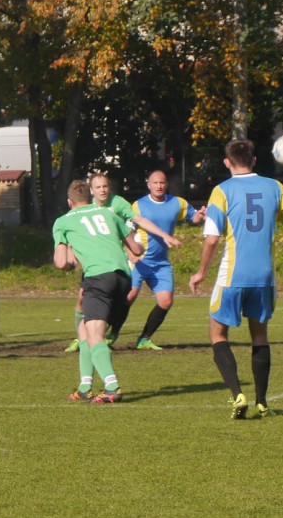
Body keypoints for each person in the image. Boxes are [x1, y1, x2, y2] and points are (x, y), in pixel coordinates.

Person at [188, 139, 283, 419]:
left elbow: (212, 239)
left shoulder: (222, 191)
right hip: (264, 277)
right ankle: (262, 402)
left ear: (227, 162)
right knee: (259, 335)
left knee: (217, 334)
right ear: (255, 160)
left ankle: (238, 395)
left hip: (233, 275)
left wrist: (201, 273)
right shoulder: (275, 187)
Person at [63, 174, 182, 351]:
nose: (102, 190)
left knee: (118, 298)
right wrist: (70, 250)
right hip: (95, 261)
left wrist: (163, 236)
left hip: (116, 260)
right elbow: (73, 228)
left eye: (105, 186)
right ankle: (82, 338)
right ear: (91, 190)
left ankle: (106, 336)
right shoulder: (87, 206)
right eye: (98, 187)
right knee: (83, 299)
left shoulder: (118, 203)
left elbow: (138, 221)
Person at [53, 179, 144, 403]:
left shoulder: (63, 221)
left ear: (70, 202)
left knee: (95, 335)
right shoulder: (108, 213)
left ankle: (112, 387)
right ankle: (85, 386)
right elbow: (136, 248)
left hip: (98, 278)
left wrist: (70, 264)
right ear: (90, 197)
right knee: (86, 329)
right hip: (123, 279)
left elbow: (60, 262)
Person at [122, 169, 206, 350]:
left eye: (162, 182)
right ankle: (110, 334)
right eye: (155, 183)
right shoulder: (138, 205)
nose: (159, 186)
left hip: (161, 263)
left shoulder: (177, 203)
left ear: (166, 184)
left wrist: (200, 216)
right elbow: (126, 232)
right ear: (148, 184)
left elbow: (194, 218)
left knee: (166, 301)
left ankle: (144, 339)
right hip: (140, 260)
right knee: (129, 297)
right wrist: (130, 253)